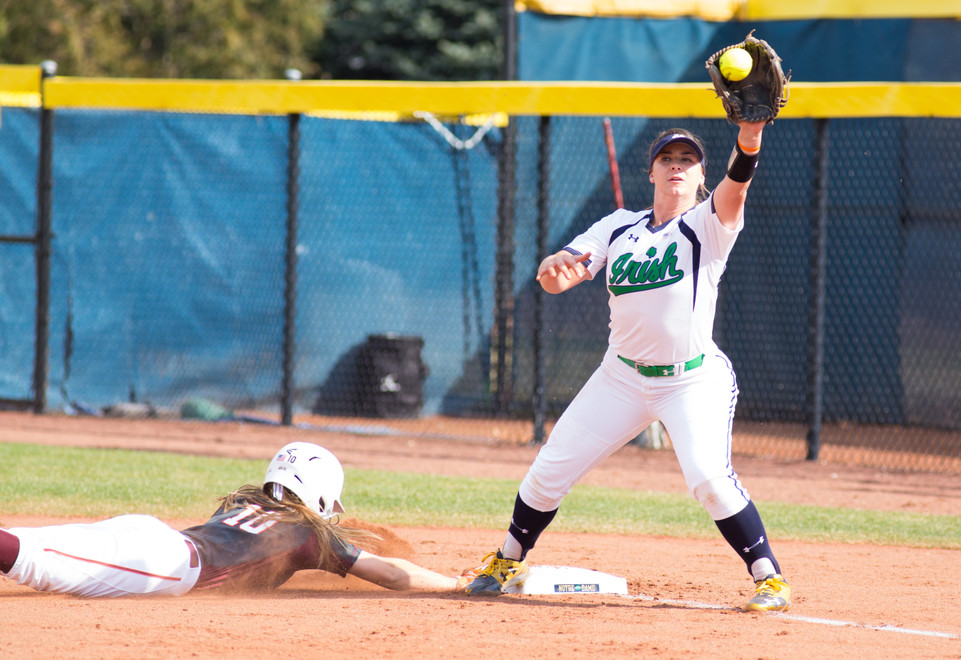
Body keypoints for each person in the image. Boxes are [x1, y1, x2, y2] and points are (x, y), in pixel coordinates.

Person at [464, 119, 791, 612]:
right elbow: (564, 277)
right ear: (652, 173)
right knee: (549, 470)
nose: (677, 166)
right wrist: (553, 269)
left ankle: (769, 578)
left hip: (692, 379)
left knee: (708, 478)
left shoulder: (708, 223)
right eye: (667, 159)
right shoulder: (617, 226)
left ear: (702, 177)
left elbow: (739, 184)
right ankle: (508, 558)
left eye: (687, 161)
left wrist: (749, 134)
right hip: (620, 377)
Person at [0, 441, 464, 596]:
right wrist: (455, 585)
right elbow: (392, 574)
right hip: (166, 563)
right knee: (35, 559)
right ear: (320, 494)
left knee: (33, 543)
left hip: (152, 536)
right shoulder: (310, 534)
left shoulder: (240, 499)